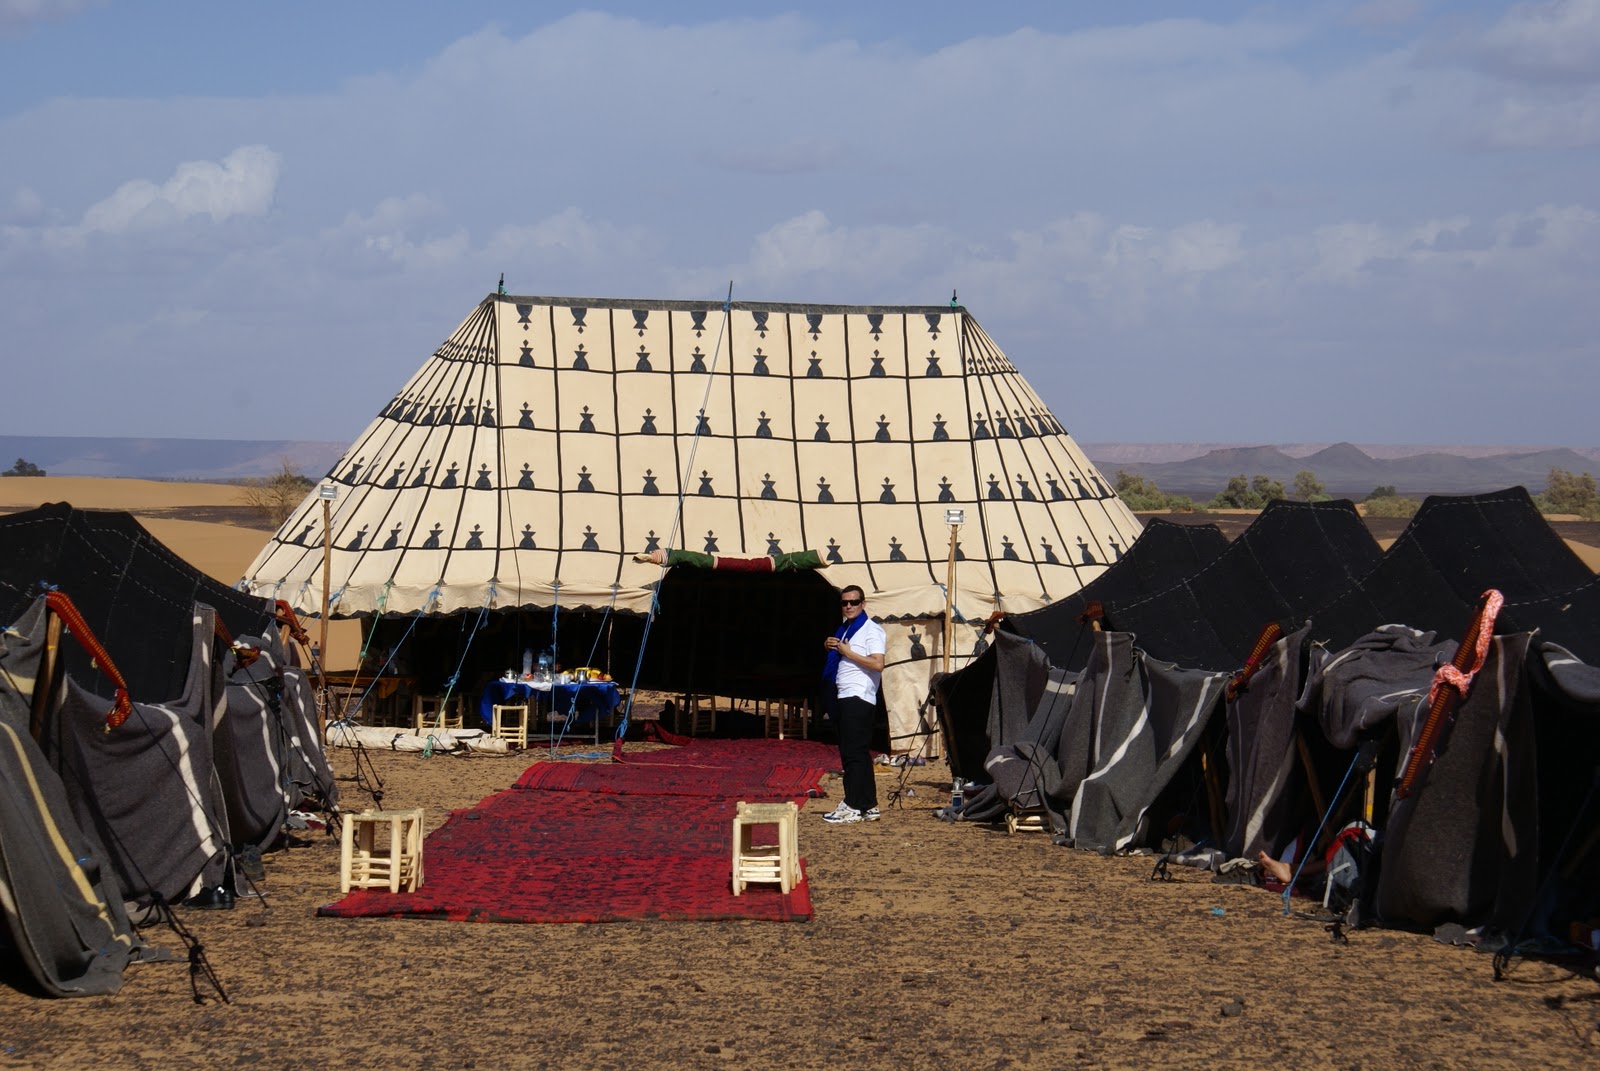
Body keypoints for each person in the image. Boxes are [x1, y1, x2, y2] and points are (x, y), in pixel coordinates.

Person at [821, 584, 886, 824]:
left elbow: (878, 664)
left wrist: (848, 653)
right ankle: (869, 805)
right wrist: (833, 647)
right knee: (858, 752)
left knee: (853, 754)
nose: (849, 606)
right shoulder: (846, 630)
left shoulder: (871, 630)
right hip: (845, 695)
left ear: (863, 604)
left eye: (854, 602)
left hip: (858, 696)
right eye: (845, 603)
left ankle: (853, 804)